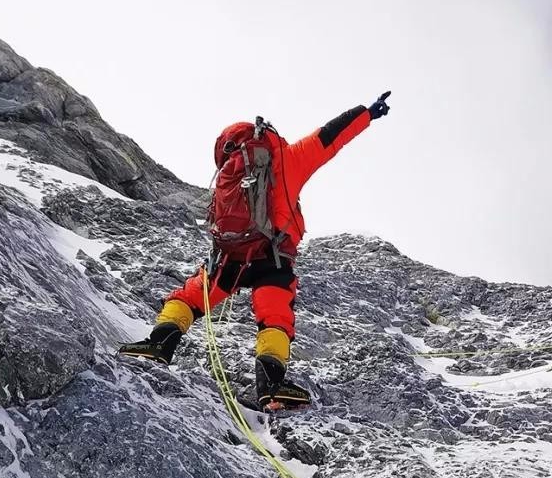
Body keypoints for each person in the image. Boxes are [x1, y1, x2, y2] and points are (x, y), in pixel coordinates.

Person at [119, 92, 391, 409]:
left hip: (230, 257)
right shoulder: (287, 158)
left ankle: (157, 345)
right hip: (273, 257)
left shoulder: (228, 173)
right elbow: (329, 136)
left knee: (190, 298)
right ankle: (271, 387)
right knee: (274, 318)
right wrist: (367, 113)